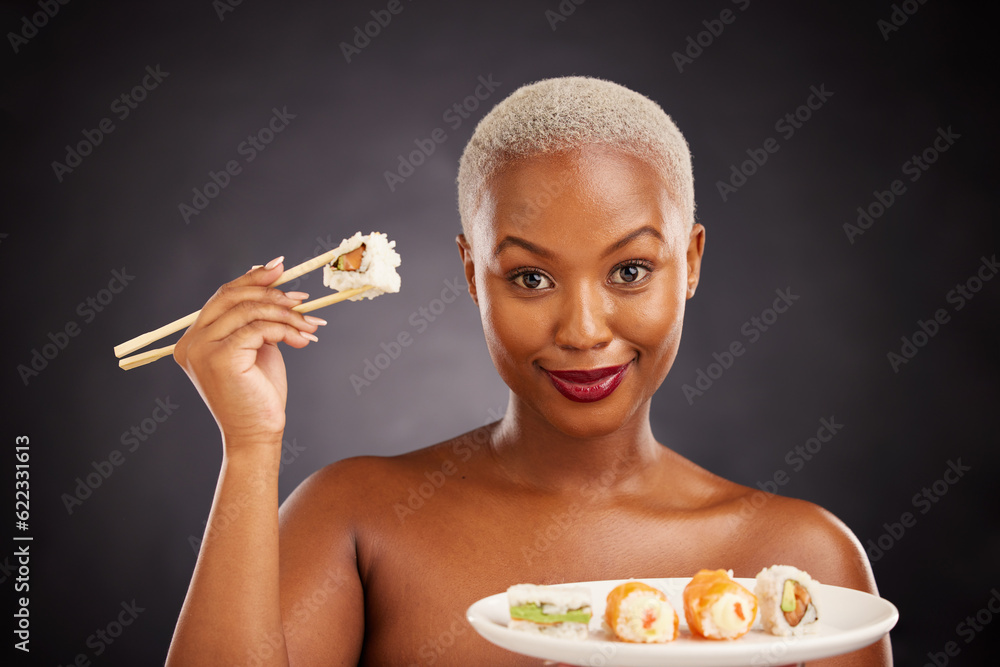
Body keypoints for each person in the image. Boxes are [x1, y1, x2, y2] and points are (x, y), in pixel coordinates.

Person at [165, 76, 891, 666]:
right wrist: (251, 447)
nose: (582, 330)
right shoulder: (354, 518)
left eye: (630, 270)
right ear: (473, 274)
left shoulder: (800, 561)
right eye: (531, 278)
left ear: (692, 262)